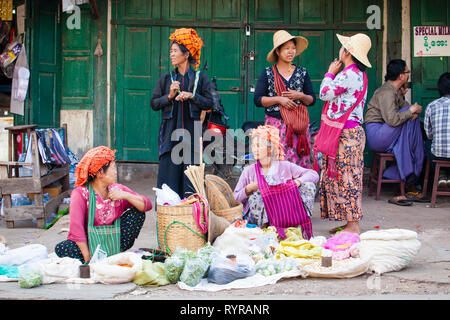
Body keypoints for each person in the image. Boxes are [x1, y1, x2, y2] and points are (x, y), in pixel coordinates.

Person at [55, 146, 152, 263]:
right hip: (89, 244)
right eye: (113, 168)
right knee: (61, 248)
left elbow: (147, 205)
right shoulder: (81, 194)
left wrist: (126, 195)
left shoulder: (117, 189)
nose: (116, 172)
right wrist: (88, 260)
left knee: (137, 213)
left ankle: (113, 252)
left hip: (113, 241)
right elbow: (77, 230)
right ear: (100, 172)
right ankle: (99, 257)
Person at [315, 33, 372, 234]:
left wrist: (330, 73)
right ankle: (349, 222)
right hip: (352, 132)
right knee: (345, 176)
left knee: (347, 177)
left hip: (346, 134)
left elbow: (324, 93)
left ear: (347, 51)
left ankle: (353, 225)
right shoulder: (360, 75)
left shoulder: (347, 75)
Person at [151, 28, 213, 199]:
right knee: (168, 184)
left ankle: (192, 221)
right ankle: (168, 220)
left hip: (191, 138)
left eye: (175, 51)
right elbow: (154, 103)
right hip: (169, 138)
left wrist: (193, 96)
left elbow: (210, 103)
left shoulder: (201, 79)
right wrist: (169, 96)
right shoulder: (166, 79)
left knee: (190, 185)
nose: (171, 54)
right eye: (171, 51)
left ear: (186, 54)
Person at [233, 125, 319, 240]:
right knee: (259, 193)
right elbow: (235, 199)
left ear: (270, 149)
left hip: (285, 213)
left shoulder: (285, 166)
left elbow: (314, 175)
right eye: (253, 146)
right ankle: (264, 230)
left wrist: (297, 182)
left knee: (308, 185)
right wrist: (248, 189)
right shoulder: (249, 171)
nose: (254, 149)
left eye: (259, 146)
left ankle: (291, 225)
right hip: (260, 220)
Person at [364, 59, 425, 204]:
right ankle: (410, 176)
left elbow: (407, 111)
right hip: (377, 135)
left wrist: (413, 110)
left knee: (412, 119)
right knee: (409, 115)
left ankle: (401, 173)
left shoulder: (395, 91)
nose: (408, 74)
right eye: (407, 72)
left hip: (387, 132)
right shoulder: (386, 92)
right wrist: (411, 110)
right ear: (401, 76)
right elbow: (393, 120)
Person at [254, 30, 316, 169]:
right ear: (278, 51)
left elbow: (312, 100)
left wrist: (300, 96)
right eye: (287, 48)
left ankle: (297, 190)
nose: (291, 52)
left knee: (297, 167)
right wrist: (279, 100)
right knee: (275, 165)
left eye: (293, 48)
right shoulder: (268, 73)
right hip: (275, 127)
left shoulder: (302, 73)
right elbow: (258, 100)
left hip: (298, 127)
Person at [424, 72, 450, 188]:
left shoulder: (431, 106)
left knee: (428, 143)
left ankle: (442, 175)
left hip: (439, 155)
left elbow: (428, 134)